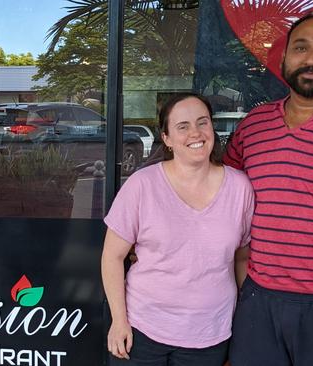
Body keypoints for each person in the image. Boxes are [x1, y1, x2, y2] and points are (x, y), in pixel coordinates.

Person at [224, 10, 313, 366]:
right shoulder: (254, 125)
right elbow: (217, 194)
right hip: (257, 299)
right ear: (283, 58)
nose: (311, 59)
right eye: (301, 47)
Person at [102, 93, 254, 365]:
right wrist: (118, 320)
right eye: (182, 126)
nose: (195, 133)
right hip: (142, 330)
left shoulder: (240, 188)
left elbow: (242, 258)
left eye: (202, 122)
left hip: (210, 334)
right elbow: (112, 257)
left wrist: (246, 320)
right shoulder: (142, 185)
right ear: (167, 138)